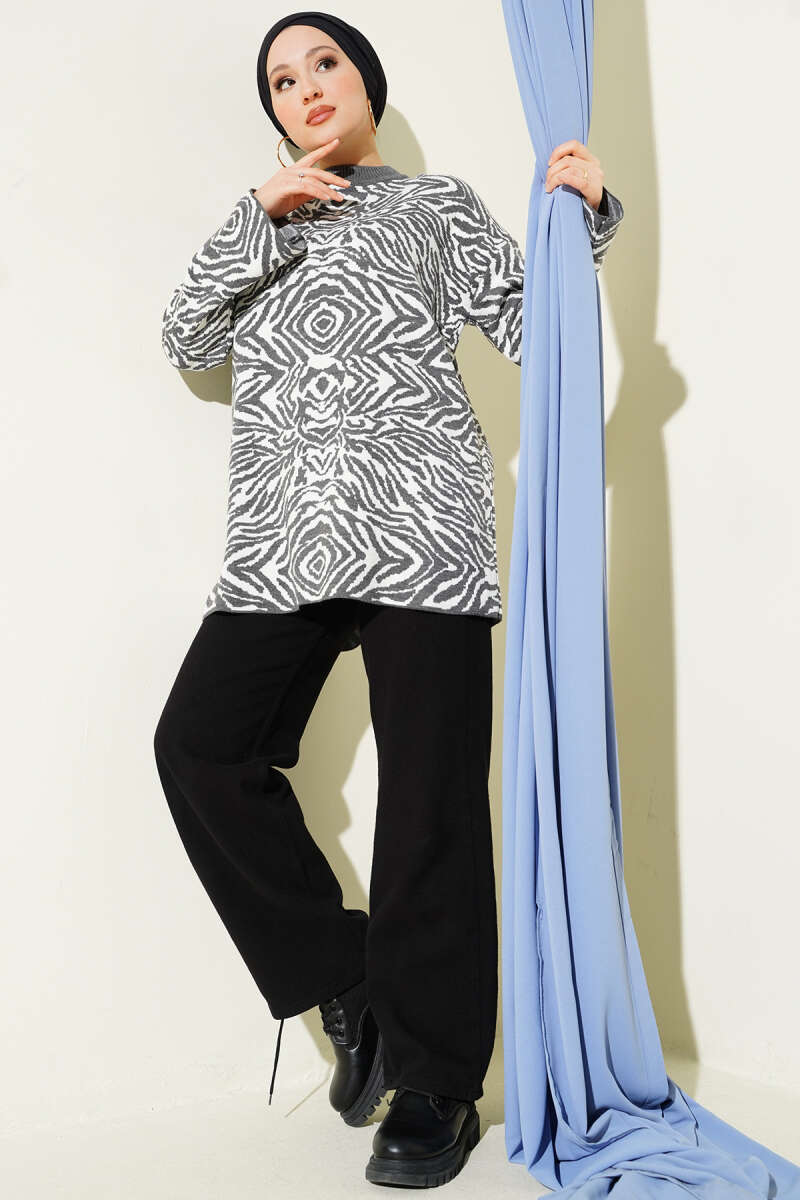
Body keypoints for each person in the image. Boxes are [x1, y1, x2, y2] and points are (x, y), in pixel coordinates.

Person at [153, 10, 624, 1190]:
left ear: (365, 79)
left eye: (324, 63)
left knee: (427, 809)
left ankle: (433, 1084)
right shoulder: (263, 222)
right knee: (198, 747)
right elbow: (185, 336)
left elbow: (534, 330)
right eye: (282, 80)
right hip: (281, 542)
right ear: (272, 114)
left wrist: (583, 219)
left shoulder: (435, 206)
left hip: (422, 532)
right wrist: (254, 214)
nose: (307, 87)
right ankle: (345, 983)